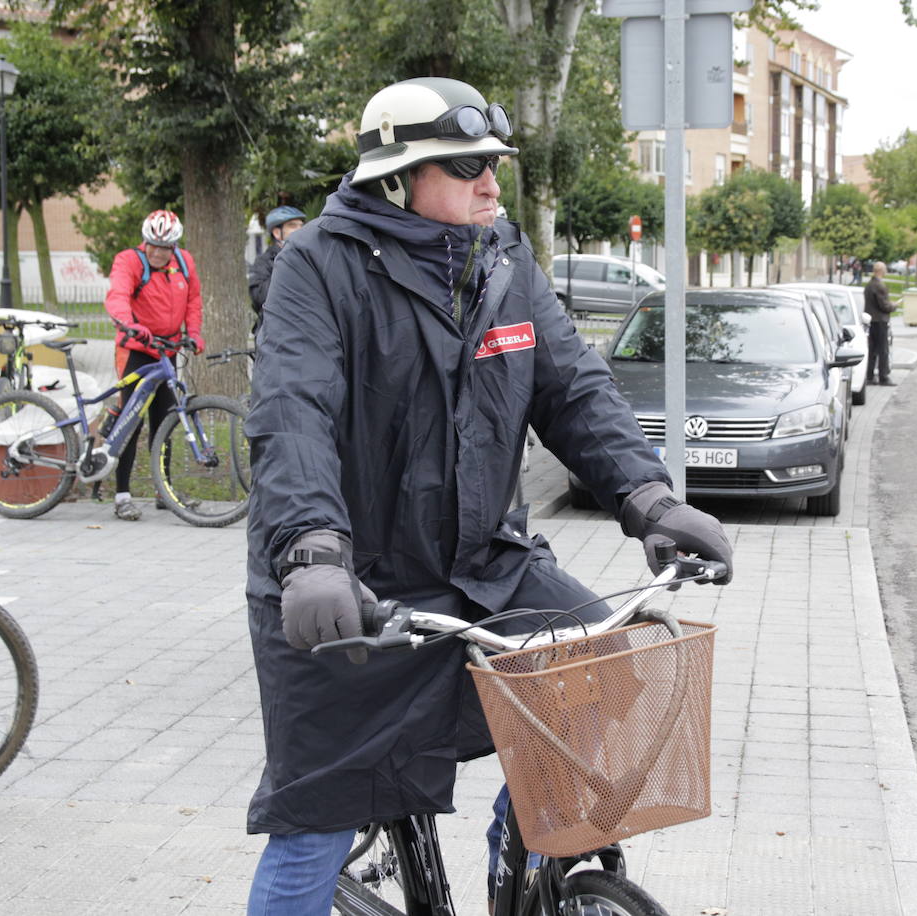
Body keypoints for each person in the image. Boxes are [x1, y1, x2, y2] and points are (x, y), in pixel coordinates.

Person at [244, 76, 734, 915]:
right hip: (349, 582)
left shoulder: (505, 259)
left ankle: (525, 858)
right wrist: (312, 552)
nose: (489, 181)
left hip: (487, 565)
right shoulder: (317, 268)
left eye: (494, 164)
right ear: (395, 178)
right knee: (317, 821)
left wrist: (648, 497)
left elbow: (573, 390)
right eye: (464, 164)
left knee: (608, 677)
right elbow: (295, 412)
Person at [102, 209, 204, 521]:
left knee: (165, 422)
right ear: (145, 241)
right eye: (153, 246)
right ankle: (122, 496)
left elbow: (193, 300)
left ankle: (164, 491)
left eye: (165, 247)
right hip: (136, 351)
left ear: (174, 246)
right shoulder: (129, 261)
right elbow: (117, 295)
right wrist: (130, 324)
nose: (158, 253)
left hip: (167, 352)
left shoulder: (184, 263)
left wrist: (194, 333)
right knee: (131, 421)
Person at [248, 205, 308, 333]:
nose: (300, 229)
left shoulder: (310, 259)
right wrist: (289, 263)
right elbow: (259, 298)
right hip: (275, 337)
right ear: (277, 233)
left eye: (301, 225)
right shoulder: (263, 262)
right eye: (292, 225)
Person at [864, 261, 896, 386]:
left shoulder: (869, 285)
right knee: (883, 350)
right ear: (881, 271)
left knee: (872, 350)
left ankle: (870, 376)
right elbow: (884, 306)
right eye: (885, 269)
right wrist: (893, 306)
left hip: (872, 321)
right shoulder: (879, 285)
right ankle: (884, 377)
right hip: (880, 321)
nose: (886, 271)